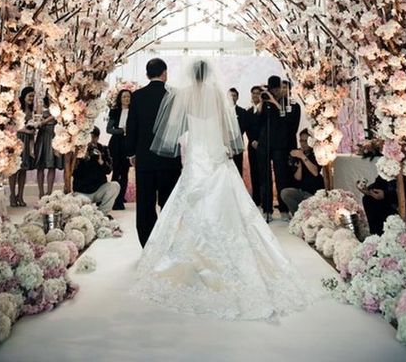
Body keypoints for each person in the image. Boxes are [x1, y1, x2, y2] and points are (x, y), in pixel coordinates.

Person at [132, 59, 315, 321]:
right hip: (215, 154)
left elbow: (175, 130)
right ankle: (229, 254)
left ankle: (192, 256)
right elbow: (227, 127)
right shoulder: (218, 95)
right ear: (209, 76)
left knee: (192, 205)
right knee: (229, 205)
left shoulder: (183, 96)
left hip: (196, 156)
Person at [126, 58, 181, 247]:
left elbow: (131, 126)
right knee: (169, 203)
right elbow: (181, 128)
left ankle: (147, 244)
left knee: (145, 204)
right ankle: (168, 244)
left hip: (145, 159)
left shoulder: (138, 96)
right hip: (170, 159)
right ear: (165, 73)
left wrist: (131, 153)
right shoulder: (174, 96)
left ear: (147, 74)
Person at [255, 76, 294, 221]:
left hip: (280, 145)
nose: (275, 92)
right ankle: (267, 209)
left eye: (277, 89)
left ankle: (284, 209)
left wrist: (274, 102)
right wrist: (261, 103)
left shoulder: (288, 103)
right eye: (273, 89)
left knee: (281, 177)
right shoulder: (265, 103)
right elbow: (258, 121)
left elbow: (287, 122)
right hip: (265, 144)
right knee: (265, 178)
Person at [73, 126, 120, 217]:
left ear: (97, 138)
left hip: (98, 189)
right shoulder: (79, 151)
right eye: (89, 138)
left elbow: (109, 171)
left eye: (94, 138)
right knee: (81, 213)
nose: (91, 141)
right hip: (82, 191)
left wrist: (101, 161)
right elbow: (74, 173)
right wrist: (82, 159)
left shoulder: (103, 149)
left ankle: (101, 214)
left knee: (115, 186)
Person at [280, 129, 324, 215]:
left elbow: (315, 172)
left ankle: (307, 216)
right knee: (285, 193)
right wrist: (299, 166)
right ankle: (298, 216)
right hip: (301, 191)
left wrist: (303, 157)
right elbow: (298, 178)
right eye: (301, 140)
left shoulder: (317, 153)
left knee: (311, 203)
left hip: (314, 193)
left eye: (305, 141)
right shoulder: (298, 153)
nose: (303, 143)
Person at [9, 86, 36, 207]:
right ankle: (12, 195)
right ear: (24, 96)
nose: (31, 98)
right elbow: (12, 126)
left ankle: (20, 195)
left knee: (23, 169)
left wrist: (31, 147)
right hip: (16, 139)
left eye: (33, 96)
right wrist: (26, 130)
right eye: (30, 96)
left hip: (27, 141)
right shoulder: (16, 109)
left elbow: (32, 129)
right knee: (14, 169)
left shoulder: (32, 110)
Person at [34, 93, 64, 200]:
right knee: (40, 166)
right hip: (43, 134)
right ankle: (41, 192)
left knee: (52, 165)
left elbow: (57, 116)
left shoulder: (59, 106)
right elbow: (37, 118)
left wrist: (45, 121)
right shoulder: (41, 105)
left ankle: (49, 192)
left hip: (54, 134)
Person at [107, 88, 132, 210]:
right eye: (124, 97)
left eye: (128, 96)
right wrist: (122, 130)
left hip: (128, 144)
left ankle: (121, 198)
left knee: (125, 172)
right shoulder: (114, 111)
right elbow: (109, 129)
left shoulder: (134, 111)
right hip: (116, 143)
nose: (126, 99)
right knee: (116, 171)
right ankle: (113, 198)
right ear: (120, 99)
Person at [245, 85, 262, 206]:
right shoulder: (248, 111)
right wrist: (252, 140)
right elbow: (247, 128)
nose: (255, 95)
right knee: (254, 172)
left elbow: (265, 127)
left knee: (263, 172)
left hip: (263, 145)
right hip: (251, 145)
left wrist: (260, 141)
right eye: (253, 93)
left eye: (257, 93)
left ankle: (265, 199)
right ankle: (256, 200)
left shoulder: (265, 110)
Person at [228, 87, 246, 176]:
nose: (232, 97)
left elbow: (243, 126)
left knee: (238, 167)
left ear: (237, 97)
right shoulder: (223, 111)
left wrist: (234, 136)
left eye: (234, 95)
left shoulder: (242, 111)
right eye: (230, 95)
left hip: (238, 144)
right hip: (226, 144)